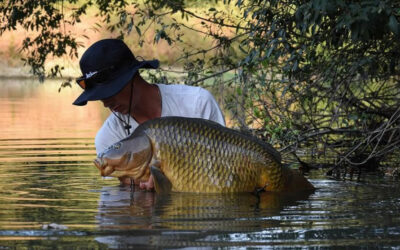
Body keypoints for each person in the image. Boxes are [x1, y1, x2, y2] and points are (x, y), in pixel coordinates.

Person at [73, 39, 225, 189]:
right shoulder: (109, 138)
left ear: (131, 77)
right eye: (100, 96)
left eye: (110, 92)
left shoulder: (197, 103)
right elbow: (125, 188)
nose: (106, 103)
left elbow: (227, 161)